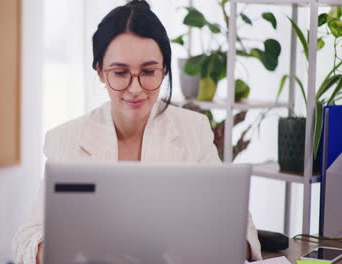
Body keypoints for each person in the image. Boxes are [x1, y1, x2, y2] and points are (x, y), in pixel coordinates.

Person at [13, 1, 262, 263]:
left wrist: (202, 243)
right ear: (100, 72)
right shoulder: (65, 139)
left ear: (164, 69)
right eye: (120, 73)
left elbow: (241, 231)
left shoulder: (193, 130)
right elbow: (27, 238)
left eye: (148, 71)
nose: (135, 89)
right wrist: (62, 248)